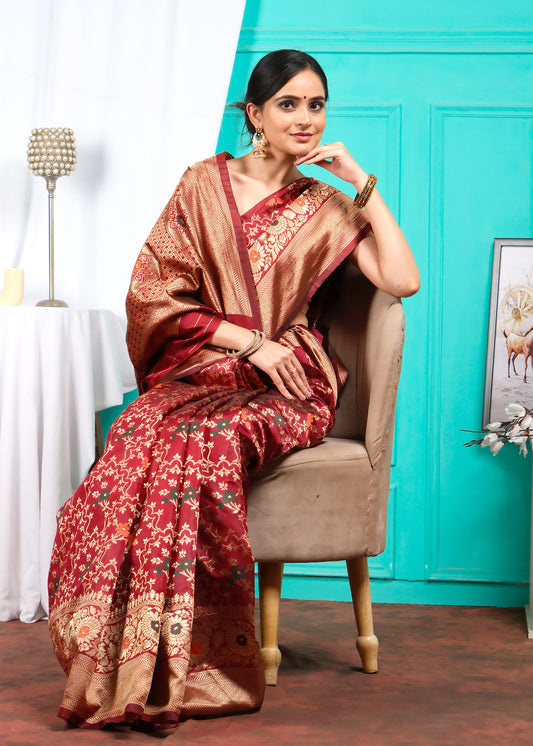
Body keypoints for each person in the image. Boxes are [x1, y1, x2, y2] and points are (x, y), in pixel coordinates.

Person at [48, 49, 420, 730]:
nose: (304, 119)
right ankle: (128, 650)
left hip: (288, 383)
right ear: (252, 114)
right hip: (212, 363)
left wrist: (361, 182)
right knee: (137, 431)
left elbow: (401, 280)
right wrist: (246, 340)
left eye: (315, 105)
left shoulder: (329, 206)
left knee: (208, 441)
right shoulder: (201, 186)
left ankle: (202, 657)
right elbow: (153, 291)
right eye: (288, 104)